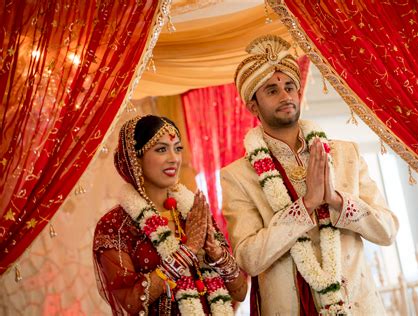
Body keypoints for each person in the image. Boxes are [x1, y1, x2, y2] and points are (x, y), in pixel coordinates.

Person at [221, 35, 399, 315]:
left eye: (290, 86)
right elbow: (249, 259)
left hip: (357, 306)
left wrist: (338, 200)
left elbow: (388, 231)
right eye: (271, 90)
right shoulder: (238, 176)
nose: (285, 95)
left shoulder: (345, 154)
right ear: (253, 106)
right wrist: (305, 207)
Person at [93, 115, 247, 316]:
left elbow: (241, 291)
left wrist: (217, 254)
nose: (174, 158)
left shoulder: (193, 212)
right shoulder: (115, 226)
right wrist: (188, 250)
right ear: (134, 157)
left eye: (178, 148)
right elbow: (131, 302)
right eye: (161, 149)